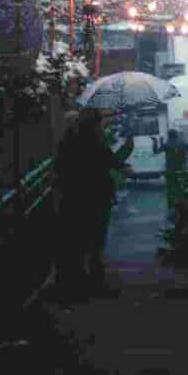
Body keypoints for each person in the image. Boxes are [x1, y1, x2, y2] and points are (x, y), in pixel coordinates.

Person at [52, 108, 133, 300]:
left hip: (73, 198)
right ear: (94, 123)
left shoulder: (69, 140)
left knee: (78, 241)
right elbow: (106, 159)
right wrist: (124, 167)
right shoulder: (95, 139)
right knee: (95, 241)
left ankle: (76, 283)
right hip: (96, 197)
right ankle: (95, 284)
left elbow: (59, 165)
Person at [152, 128, 188, 214]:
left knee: (170, 190)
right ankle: (182, 206)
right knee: (181, 189)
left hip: (170, 171)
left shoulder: (167, 144)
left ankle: (171, 208)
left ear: (169, 136)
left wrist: (155, 141)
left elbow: (156, 151)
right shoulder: (182, 144)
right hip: (181, 170)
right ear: (177, 135)